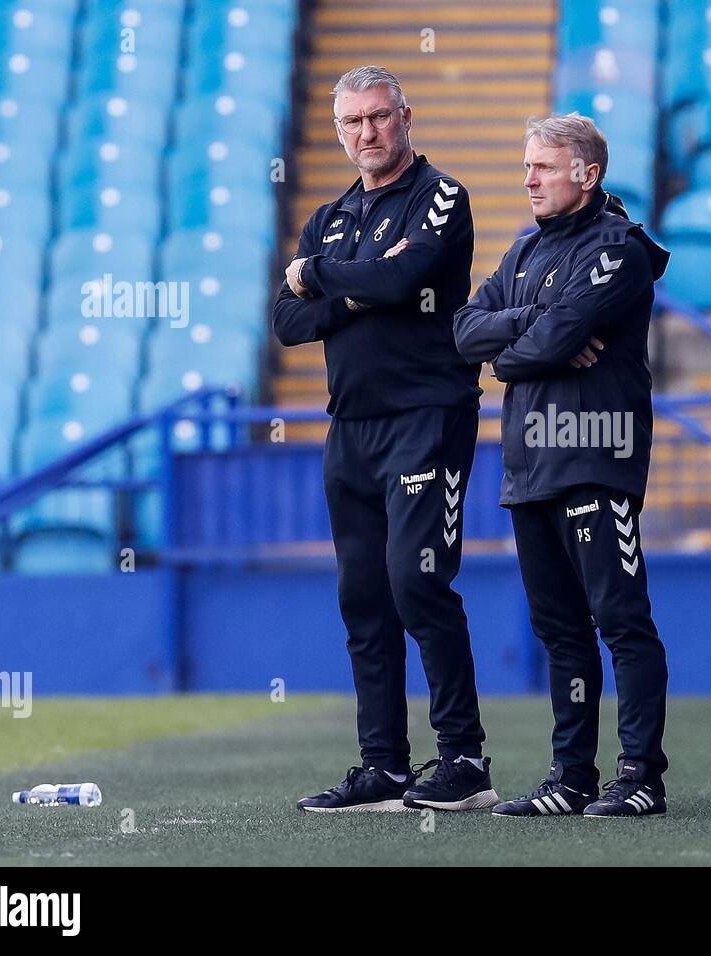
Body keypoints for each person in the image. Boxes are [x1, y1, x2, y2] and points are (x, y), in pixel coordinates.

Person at [276, 65, 498, 813]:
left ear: (405, 116)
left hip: (427, 415)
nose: (367, 133)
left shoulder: (441, 196)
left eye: (378, 117)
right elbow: (287, 322)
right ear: (339, 132)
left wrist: (325, 281)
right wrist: (356, 285)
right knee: (363, 596)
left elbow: (404, 287)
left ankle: (464, 759)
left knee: (417, 579)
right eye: (352, 123)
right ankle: (385, 766)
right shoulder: (330, 217)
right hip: (352, 427)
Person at [453, 114, 673, 818]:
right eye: (526, 165)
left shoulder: (620, 249)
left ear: (588, 174)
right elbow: (463, 331)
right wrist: (530, 330)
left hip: (596, 459)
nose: (528, 178)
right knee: (561, 632)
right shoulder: (523, 250)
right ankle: (571, 777)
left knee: (621, 622)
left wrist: (520, 343)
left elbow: (553, 339)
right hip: (529, 467)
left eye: (543, 166)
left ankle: (640, 776)